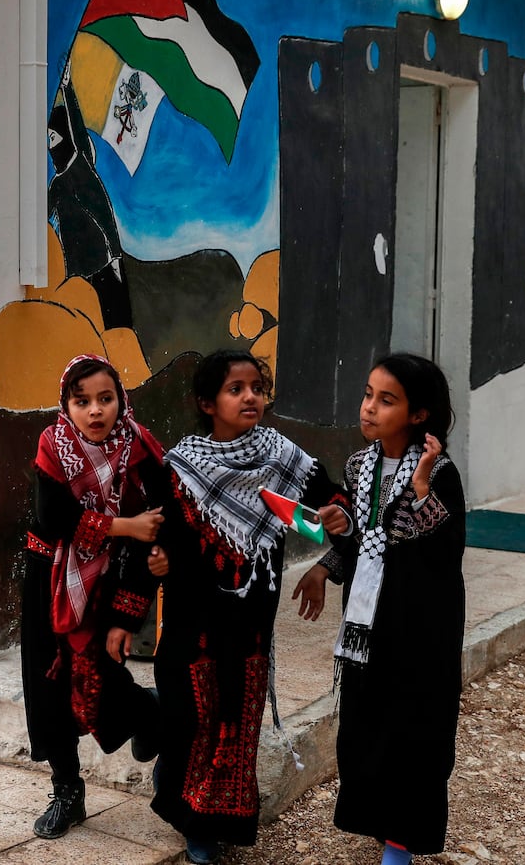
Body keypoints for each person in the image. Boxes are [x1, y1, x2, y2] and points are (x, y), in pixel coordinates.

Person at [151, 350, 350, 865]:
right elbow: (159, 533)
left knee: (234, 723)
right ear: (207, 403)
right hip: (192, 622)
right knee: (191, 717)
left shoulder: (283, 457)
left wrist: (333, 527)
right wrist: (156, 560)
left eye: (257, 388)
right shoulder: (181, 467)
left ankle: (206, 826)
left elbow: (333, 500)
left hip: (250, 622)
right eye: (235, 389)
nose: (250, 397)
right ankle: (177, 788)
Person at [292, 352, 466, 865]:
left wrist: (421, 490)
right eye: (368, 394)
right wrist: (326, 564)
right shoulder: (358, 465)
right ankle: (381, 822)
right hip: (367, 625)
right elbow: (362, 538)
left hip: (420, 628)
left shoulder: (441, 473)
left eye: (386, 400)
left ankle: (401, 842)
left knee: (414, 731)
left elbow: (441, 552)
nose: (369, 407)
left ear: (418, 414)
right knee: (366, 725)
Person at [22, 355, 170, 839]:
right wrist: (125, 526)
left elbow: (159, 528)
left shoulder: (141, 449)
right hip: (50, 581)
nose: (95, 411)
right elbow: (53, 519)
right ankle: (67, 790)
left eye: (105, 399)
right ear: (66, 406)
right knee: (50, 688)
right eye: (81, 401)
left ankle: (148, 713)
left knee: (100, 677)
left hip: (111, 580)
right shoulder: (53, 445)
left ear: (120, 401)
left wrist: (128, 615)